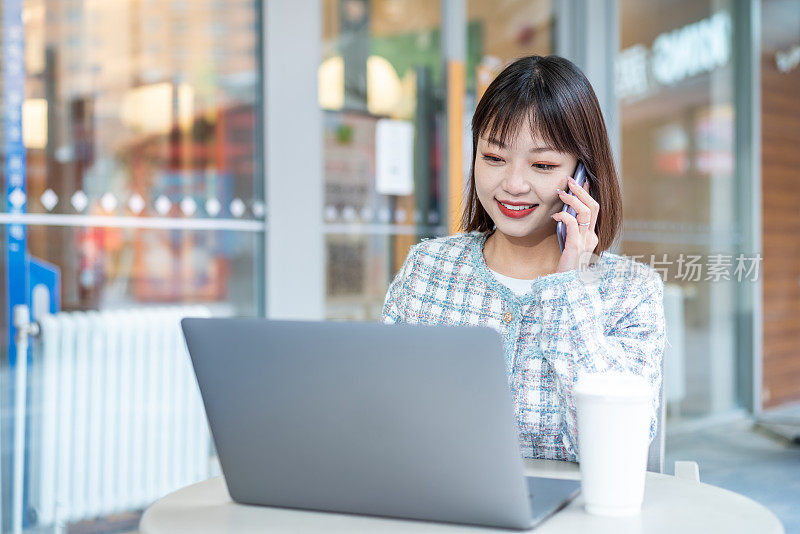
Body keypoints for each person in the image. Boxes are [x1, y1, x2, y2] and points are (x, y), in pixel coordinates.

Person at [380, 55, 666, 462]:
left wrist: (572, 285)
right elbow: (383, 414)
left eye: (543, 165)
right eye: (493, 158)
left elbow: (616, 447)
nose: (512, 184)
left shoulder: (632, 292)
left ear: (583, 174)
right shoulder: (427, 271)